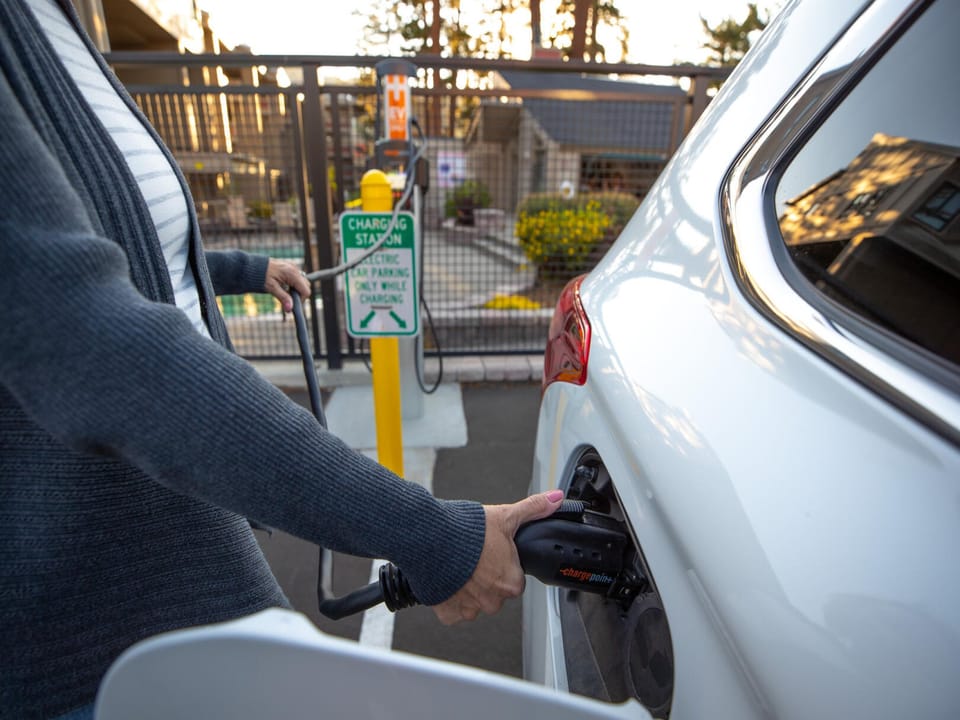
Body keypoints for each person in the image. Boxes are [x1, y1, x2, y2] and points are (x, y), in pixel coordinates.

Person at [0, 1, 563, 718]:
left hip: (182, 510)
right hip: (91, 613)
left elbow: (128, 244)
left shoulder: (54, 21)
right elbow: (97, 345)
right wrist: (429, 535)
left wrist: (245, 268)